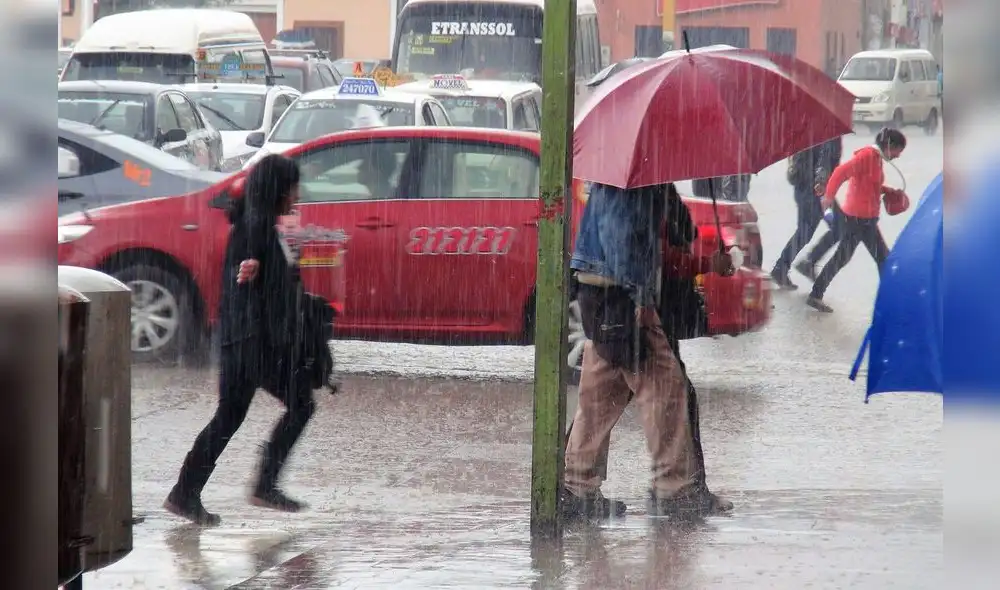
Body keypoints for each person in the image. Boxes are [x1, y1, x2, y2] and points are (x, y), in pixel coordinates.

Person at [562, 181, 734, 520]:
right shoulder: (630, 183)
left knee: (601, 395)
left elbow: (661, 243)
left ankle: (576, 489)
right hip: (621, 297)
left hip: (605, 296)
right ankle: (674, 489)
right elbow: (622, 239)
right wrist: (639, 297)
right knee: (667, 390)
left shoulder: (638, 181)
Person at [164, 154, 316, 525]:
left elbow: (266, 280)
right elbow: (249, 275)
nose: (297, 195)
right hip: (253, 341)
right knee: (301, 405)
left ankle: (186, 492)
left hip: (239, 338)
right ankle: (264, 483)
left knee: (228, 416)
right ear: (279, 189)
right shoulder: (256, 227)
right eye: (293, 187)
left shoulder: (256, 223)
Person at [806, 128, 907, 312]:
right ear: (889, 145)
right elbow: (840, 173)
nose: (898, 156)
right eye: (898, 150)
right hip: (859, 219)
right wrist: (828, 196)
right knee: (883, 258)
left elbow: (869, 184)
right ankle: (891, 300)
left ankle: (816, 294)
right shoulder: (867, 156)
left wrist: (888, 191)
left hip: (864, 218)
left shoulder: (876, 159)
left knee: (843, 258)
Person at [770, 135, 843, 289]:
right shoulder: (828, 130)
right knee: (839, 226)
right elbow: (825, 157)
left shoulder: (807, 127)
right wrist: (821, 183)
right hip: (817, 190)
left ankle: (783, 268)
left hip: (803, 186)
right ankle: (805, 263)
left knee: (805, 231)